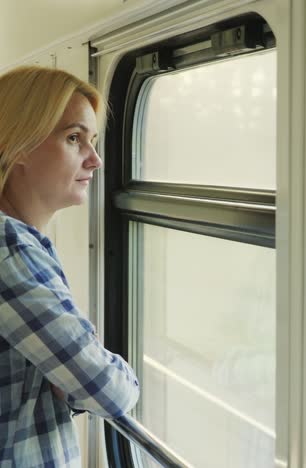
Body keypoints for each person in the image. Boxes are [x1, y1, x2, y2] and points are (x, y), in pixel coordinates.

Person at [0, 66, 140, 467]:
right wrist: (117, 377)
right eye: (74, 138)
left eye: (93, 141)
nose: (95, 160)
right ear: (18, 144)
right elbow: (107, 389)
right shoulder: (10, 247)